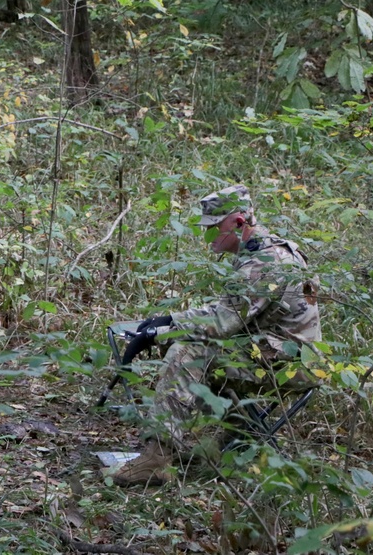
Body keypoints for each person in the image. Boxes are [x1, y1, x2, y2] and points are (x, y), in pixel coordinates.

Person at [112, 184, 321, 487]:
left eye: (214, 227)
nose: (207, 235)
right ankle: (237, 441)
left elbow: (224, 321)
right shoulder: (262, 252)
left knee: (187, 355)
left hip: (292, 364)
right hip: (275, 352)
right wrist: (170, 320)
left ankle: (157, 458)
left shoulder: (267, 261)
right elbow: (232, 311)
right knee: (200, 346)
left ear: (238, 222)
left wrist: (162, 331)